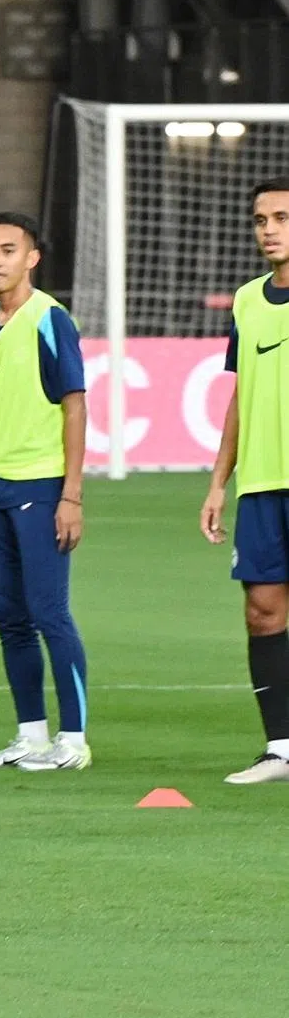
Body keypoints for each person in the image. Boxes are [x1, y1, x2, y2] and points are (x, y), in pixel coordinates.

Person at [0, 212, 90, 772]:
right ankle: (31, 736)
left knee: (50, 613)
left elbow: (75, 406)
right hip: (0, 492)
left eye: (8, 250)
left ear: (32, 258)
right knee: (9, 617)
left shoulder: (49, 320)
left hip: (43, 485)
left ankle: (73, 741)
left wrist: (71, 495)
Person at [201, 176, 289, 784]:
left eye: (281, 217)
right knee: (262, 611)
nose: (269, 230)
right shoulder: (248, 300)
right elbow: (240, 395)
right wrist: (218, 482)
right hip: (260, 483)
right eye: (261, 220)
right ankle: (281, 748)